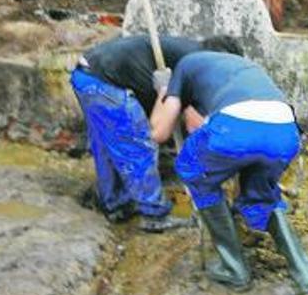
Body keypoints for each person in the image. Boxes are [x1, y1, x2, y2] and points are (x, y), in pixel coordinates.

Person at [149, 51, 308, 295]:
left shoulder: (186, 64)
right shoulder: (244, 68)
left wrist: (163, 89)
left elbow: (161, 132)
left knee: (192, 169)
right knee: (262, 196)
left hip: (234, 129)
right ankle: (307, 277)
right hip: (285, 132)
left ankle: (235, 269)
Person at [70, 34, 239, 232]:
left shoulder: (192, 55)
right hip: (103, 81)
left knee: (109, 146)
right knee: (138, 146)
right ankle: (154, 215)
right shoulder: (196, 65)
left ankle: (115, 204)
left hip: (87, 75)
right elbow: (179, 126)